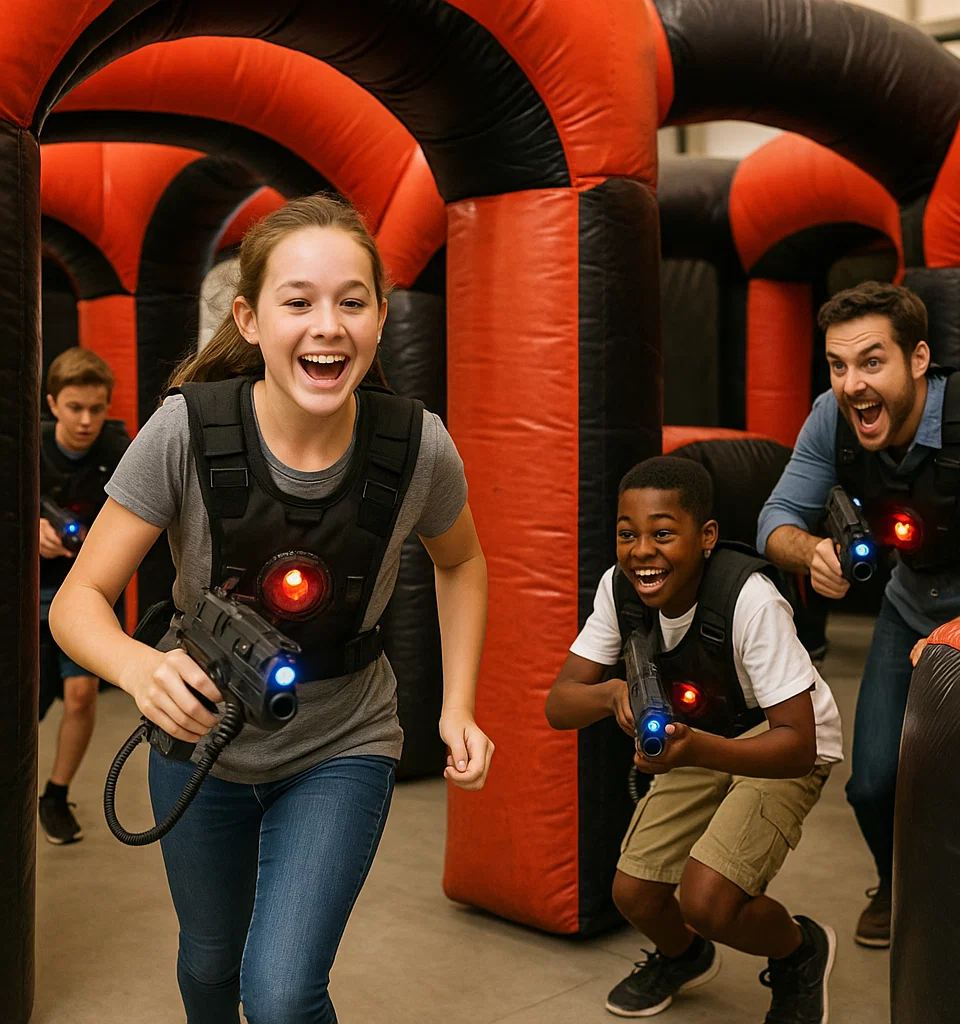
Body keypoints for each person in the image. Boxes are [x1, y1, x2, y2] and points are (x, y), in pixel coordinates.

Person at [50, 194, 494, 1023]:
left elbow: (462, 561)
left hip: (343, 741)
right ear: (250, 320)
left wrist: (459, 706)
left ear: (381, 316)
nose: (328, 325)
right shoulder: (184, 432)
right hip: (198, 746)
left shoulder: (417, 446)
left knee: (284, 996)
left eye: (352, 301)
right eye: (298, 302)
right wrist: (138, 668)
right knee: (208, 964)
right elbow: (77, 600)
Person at [757, 281, 960, 949]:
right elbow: (773, 520)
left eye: (871, 362)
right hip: (911, 607)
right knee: (872, 785)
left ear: (918, 359)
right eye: (838, 365)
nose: (852, 385)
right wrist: (812, 552)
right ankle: (892, 882)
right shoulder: (831, 415)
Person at [546, 456, 843, 1021]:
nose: (642, 551)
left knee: (708, 902)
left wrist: (698, 750)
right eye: (627, 534)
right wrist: (612, 694)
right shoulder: (620, 590)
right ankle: (685, 956)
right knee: (634, 893)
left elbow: (798, 744)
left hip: (780, 739)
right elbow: (559, 705)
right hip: (703, 732)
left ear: (706, 536)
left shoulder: (751, 600)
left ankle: (799, 951)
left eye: (662, 534)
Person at [38, 347, 129, 844]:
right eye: (75, 408)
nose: (86, 421)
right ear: (52, 403)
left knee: (80, 695)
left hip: (88, 590)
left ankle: (55, 795)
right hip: (30, 589)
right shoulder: (26, 444)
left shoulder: (121, 450)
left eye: (97, 408)